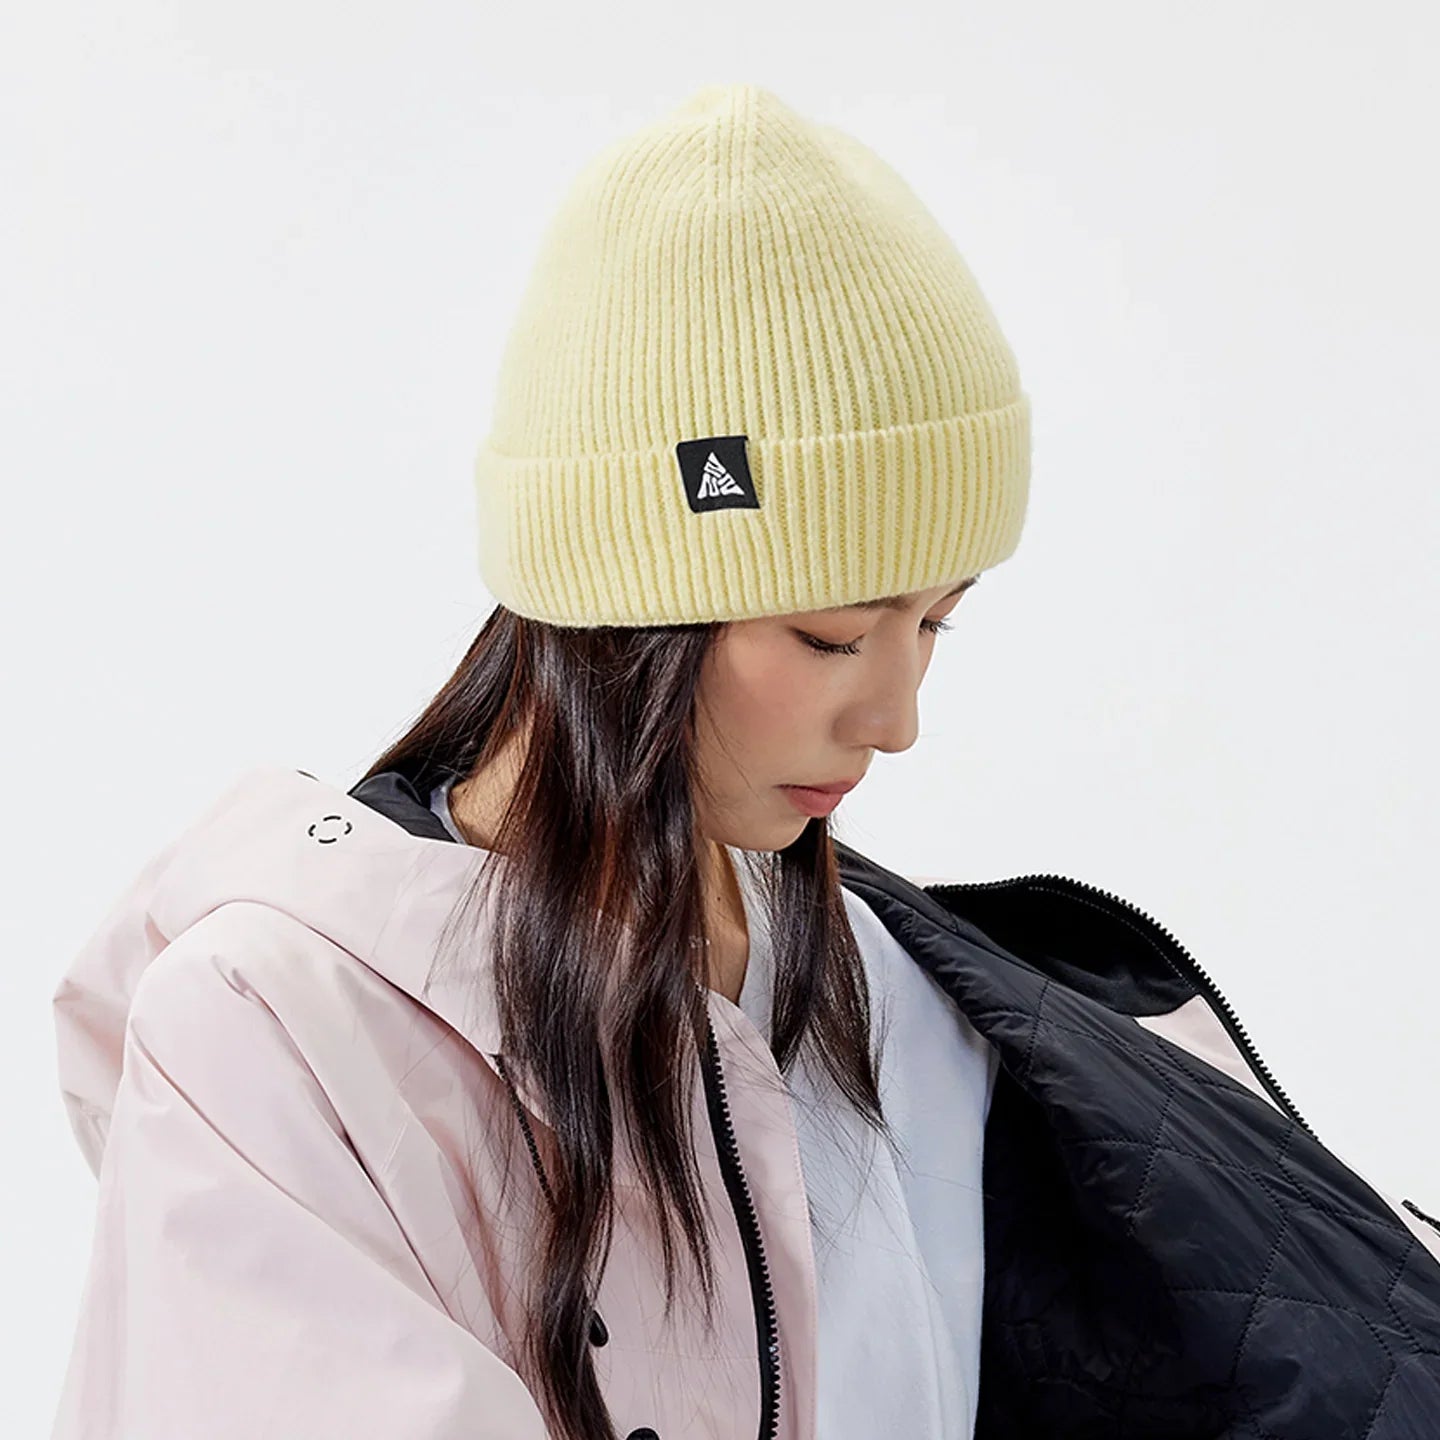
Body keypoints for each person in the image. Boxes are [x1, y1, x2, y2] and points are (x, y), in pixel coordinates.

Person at [49, 83, 1440, 1440]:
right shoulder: (279, 1030)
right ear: (625, 608)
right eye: (832, 634)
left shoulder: (881, 988)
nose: (895, 718)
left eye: (936, 623)